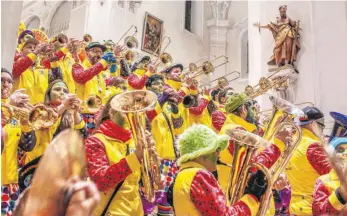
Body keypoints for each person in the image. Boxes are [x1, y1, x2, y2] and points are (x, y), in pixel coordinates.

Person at [167, 124, 268, 215]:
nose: (218, 154)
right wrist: (252, 196)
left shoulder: (183, 175)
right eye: (216, 150)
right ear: (200, 154)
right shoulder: (199, 176)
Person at [85, 96, 152, 215]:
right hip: (111, 210)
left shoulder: (133, 140)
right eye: (125, 107)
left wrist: (153, 175)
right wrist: (135, 158)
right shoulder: (95, 141)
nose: (131, 110)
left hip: (136, 209)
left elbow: (137, 180)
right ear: (112, 112)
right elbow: (101, 182)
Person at [19, 80, 87, 191]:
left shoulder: (68, 114)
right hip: (37, 163)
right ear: (48, 93)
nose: (62, 92)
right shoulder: (39, 108)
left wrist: (74, 112)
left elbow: (83, 135)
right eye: (57, 89)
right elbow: (45, 122)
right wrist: (64, 106)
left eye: (65, 90)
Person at [145, 74, 183, 215]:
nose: (160, 86)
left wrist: (175, 108)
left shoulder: (165, 106)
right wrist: (163, 99)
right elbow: (147, 118)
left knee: (166, 199)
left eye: (161, 84)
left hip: (170, 158)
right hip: (154, 158)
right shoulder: (144, 102)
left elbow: (179, 126)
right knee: (149, 197)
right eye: (156, 84)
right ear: (148, 87)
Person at [1, 68, 36, 216]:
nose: (6, 84)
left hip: (10, 181)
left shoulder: (14, 112)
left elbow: (28, 146)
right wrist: (8, 105)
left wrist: (26, 122)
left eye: (9, 81)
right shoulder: (7, 108)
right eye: (1, 80)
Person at [284, 106, 331, 215]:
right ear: (313, 124)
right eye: (321, 125)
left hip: (295, 206)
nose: (322, 129)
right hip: (311, 208)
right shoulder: (313, 146)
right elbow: (333, 176)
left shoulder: (291, 143)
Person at [72, 42, 115, 134]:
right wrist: (102, 62)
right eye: (94, 51)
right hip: (82, 113)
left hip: (98, 115)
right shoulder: (78, 66)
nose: (98, 54)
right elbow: (81, 77)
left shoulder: (100, 72)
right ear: (86, 52)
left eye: (100, 52)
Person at [312, 137, 347, 215]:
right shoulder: (324, 181)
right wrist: (340, 195)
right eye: (341, 150)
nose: (346, 153)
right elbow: (319, 212)